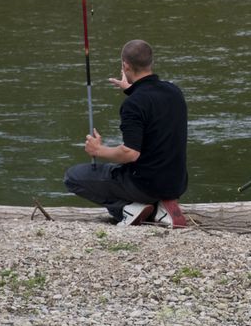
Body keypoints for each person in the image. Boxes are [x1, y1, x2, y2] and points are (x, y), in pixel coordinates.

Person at [64, 39, 188, 227]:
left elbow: (130, 153)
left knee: (72, 177)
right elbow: (151, 104)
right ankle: (163, 207)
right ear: (150, 63)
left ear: (125, 65)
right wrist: (132, 90)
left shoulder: (134, 104)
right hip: (176, 183)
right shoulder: (174, 91)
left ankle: (127, 209)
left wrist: (98, 150)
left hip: (145, 185)